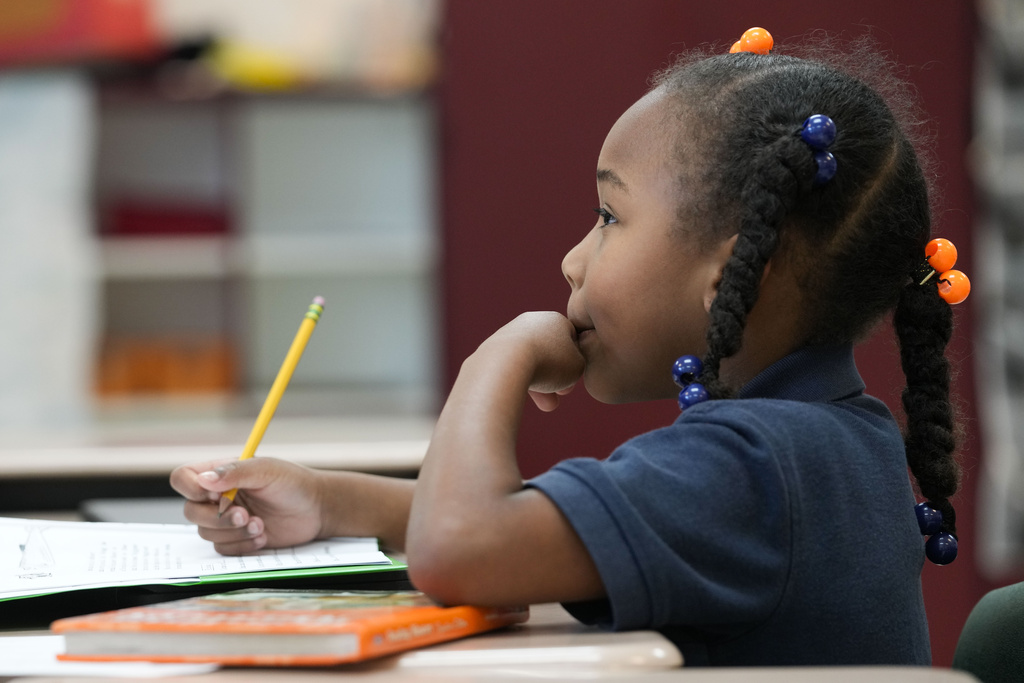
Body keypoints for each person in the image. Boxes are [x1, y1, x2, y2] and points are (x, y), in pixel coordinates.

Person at [171, 29, 970, 666]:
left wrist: (498, 356)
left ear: (735, 272)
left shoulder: (754, 464)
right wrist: (332, 502)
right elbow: (520, 530)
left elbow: (464, 551)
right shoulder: (827, 438)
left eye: (609, 217)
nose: (573, 259)